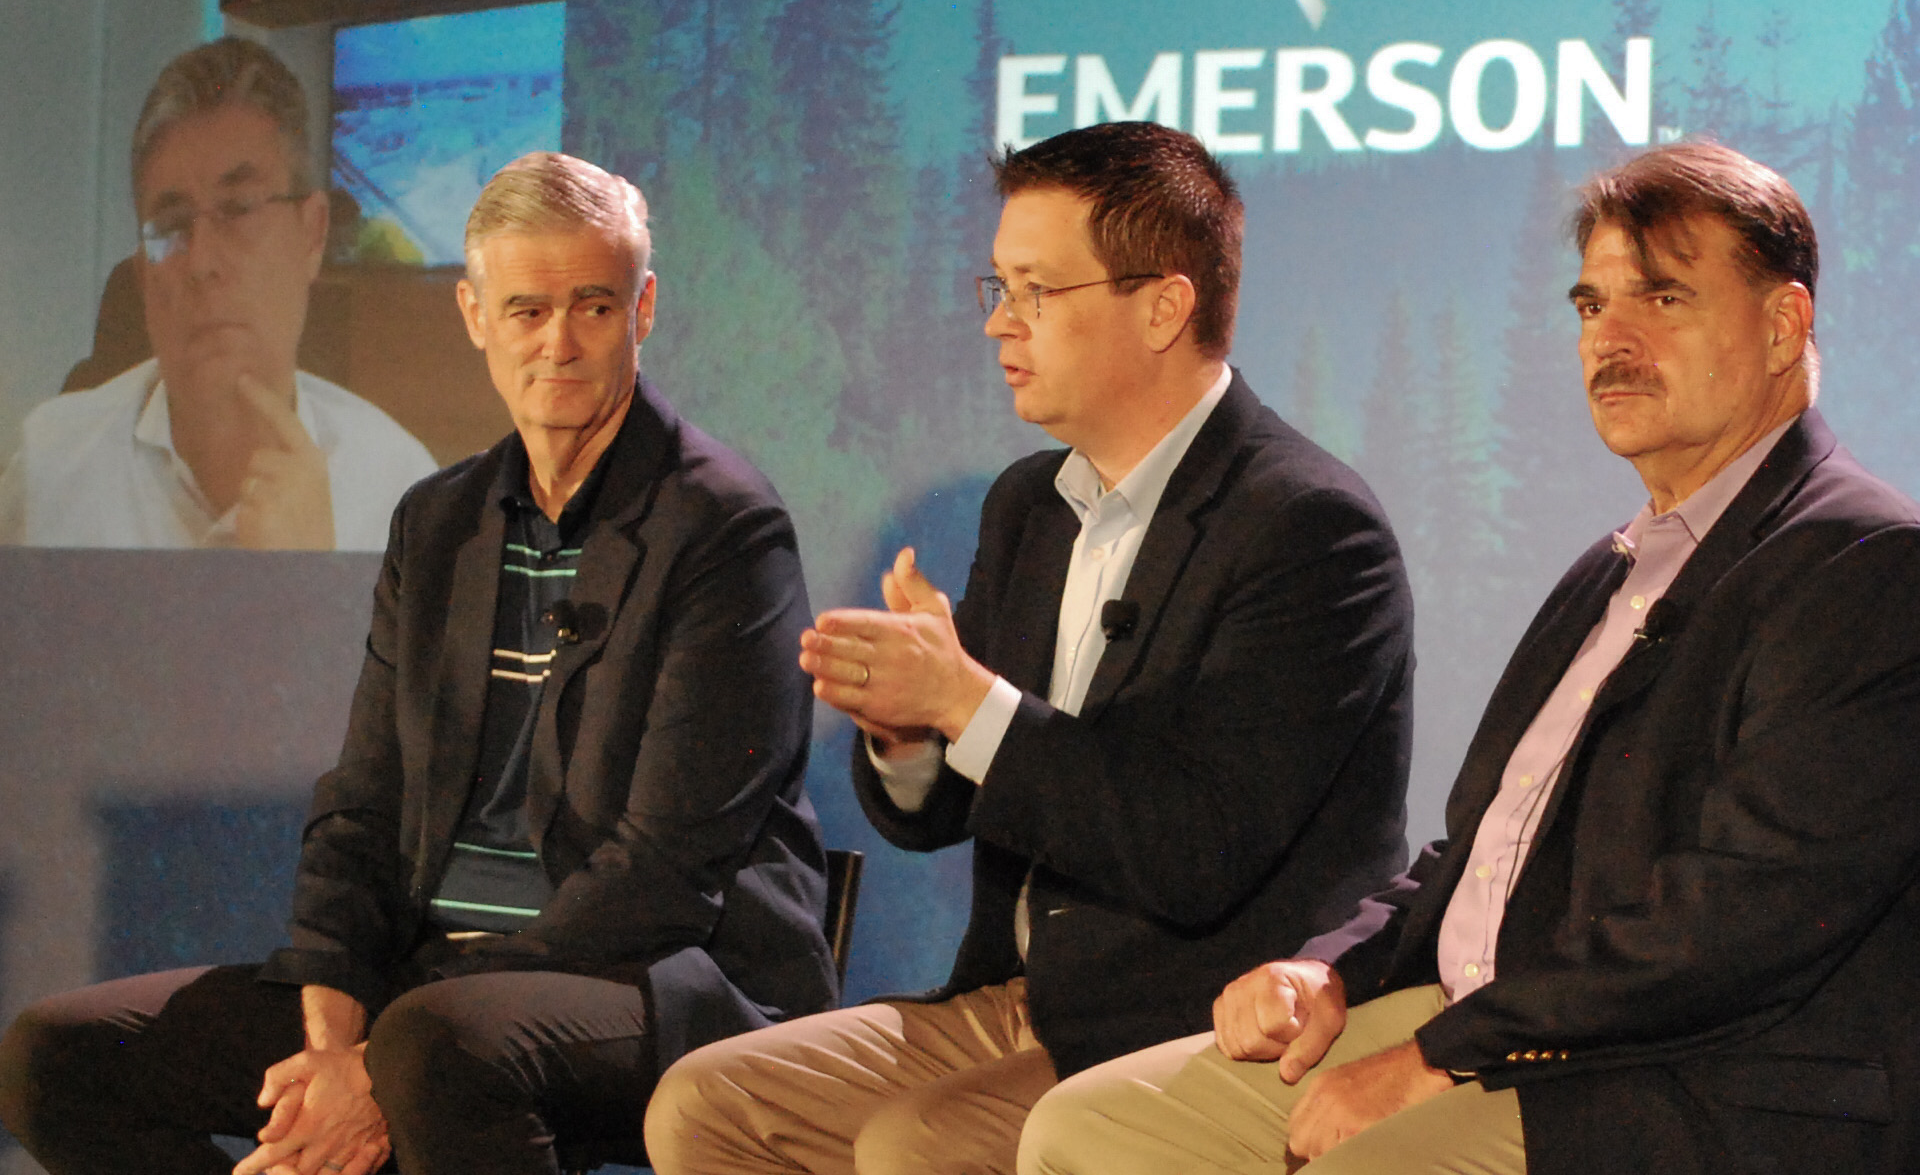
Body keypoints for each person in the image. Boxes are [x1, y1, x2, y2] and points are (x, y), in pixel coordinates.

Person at [1018, 141, 1920, 1175]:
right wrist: (1330, 975)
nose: (1611, 340)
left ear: (1782, 324)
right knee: (1088, 1132)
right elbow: (1475, 855)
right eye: (1590, 307)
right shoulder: (1612, 570)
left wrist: (1437, 1058)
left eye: (1663, 300)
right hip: (1499, 1025)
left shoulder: (1869, 565)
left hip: (1702, 1082)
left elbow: (1734, 924)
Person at [0, 151, 838, 1175]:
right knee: (63, 1055)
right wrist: (331, 1021)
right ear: (475, 314)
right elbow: (365, 797)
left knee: (436, 1049)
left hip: (662, 983)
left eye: (595, 307)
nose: (561, 346)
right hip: (426, 988)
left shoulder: (720, 525)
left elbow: (660, 872)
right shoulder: (439, 520)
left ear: (644, 308)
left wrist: (387, 1043)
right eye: (527, 311)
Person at [645, 120, 1416, 1175]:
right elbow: (963, 804)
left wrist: (966, 703)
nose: (1002, 323)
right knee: (704, 1105)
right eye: (996, 287)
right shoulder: (1029, 505)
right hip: (1016, 996)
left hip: (1188, 1015)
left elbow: (1193, 851)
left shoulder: (1309, 530)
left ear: (1162, 305)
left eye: (1038, 292)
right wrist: (911, 736)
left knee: (914, 1147)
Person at [0, 36, 435, 550]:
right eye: (172, 223)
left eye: (239, 209)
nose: (201, 263)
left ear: (312, 234)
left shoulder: (403, 499)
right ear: (142, 275)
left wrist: (316, 586)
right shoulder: (51, 468)